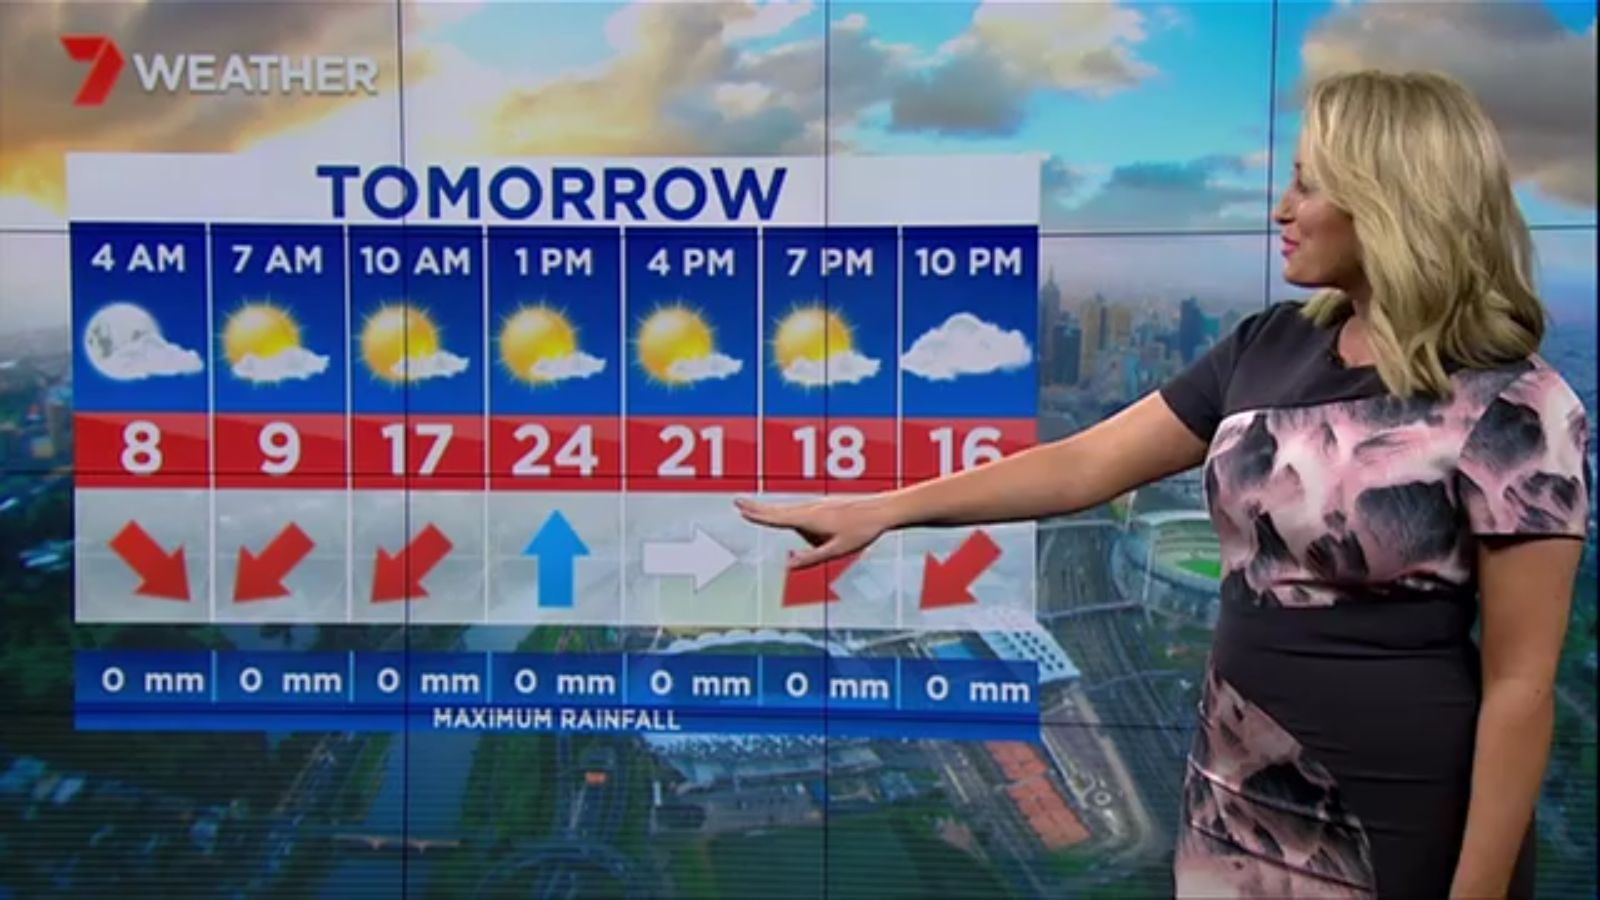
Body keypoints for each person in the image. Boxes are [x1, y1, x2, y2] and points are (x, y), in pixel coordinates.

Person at [735, 69, 1591, 899]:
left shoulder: (1517, 407)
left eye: (1308, 185)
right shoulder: (1269, 345)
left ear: (1392, 200)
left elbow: (1520, 686)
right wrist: (885, 510)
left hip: (1392, 811)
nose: (1281, 209)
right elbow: (1083, 463)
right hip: (1232, 785)